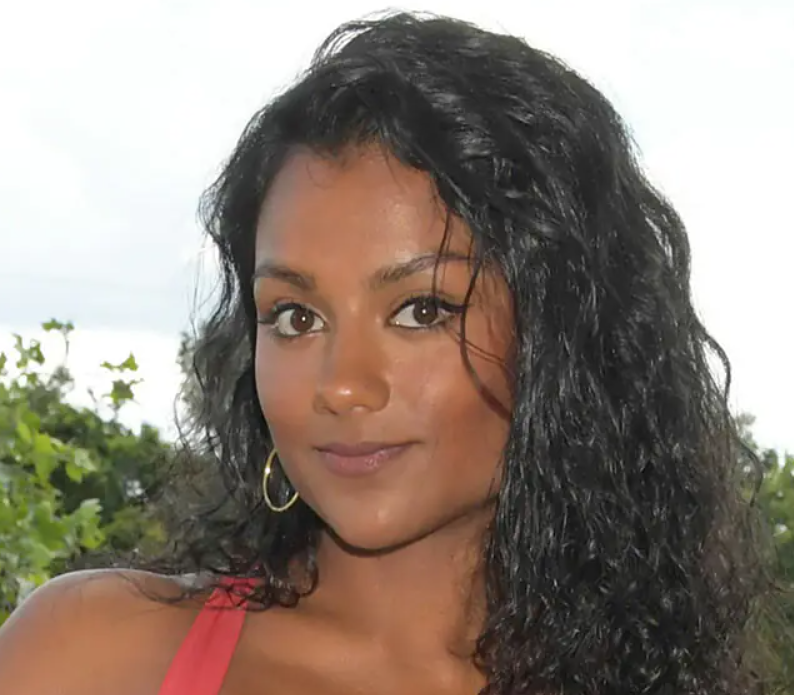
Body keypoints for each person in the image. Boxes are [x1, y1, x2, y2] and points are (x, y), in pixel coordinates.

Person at [0, 11, 773, 695]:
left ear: (562, 341)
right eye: (295, 316)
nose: (342, 386)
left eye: (421, 310)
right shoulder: (90, 654)